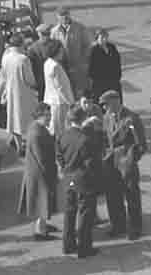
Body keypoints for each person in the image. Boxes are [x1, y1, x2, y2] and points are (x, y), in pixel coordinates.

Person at [101, 90, 147, 240]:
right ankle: (118, 225)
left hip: (126, 161)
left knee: (131, 195)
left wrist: (131, 158)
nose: (104, 108)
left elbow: (141, 144)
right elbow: (105, 138)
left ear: (116, 101)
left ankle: (135, 228)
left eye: (106, 104)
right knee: (113, 195)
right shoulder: (107, 117)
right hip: (111, 162)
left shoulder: (131, 118)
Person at [57, 106, 100, 259]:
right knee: (85, 213)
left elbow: (59, 156)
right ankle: (84, 247)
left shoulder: (63, 136)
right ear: (83, 119)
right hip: (82, 179)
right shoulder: (85, 139)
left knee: (69, 212)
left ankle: (67, 245)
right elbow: (90, 162)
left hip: (68, 177)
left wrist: (64, 168)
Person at [18, 103, 58, 241]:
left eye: (50, 115)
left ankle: (43, 225)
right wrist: (52, 173)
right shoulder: (37, 132)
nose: (50, 118)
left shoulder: (37, 128)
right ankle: (40, 232)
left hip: (37, 172)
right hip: (40, 173)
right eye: (47, 116)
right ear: (39, 115)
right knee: (42, 202)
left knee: (41, 201)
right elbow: (41, 158)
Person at [0, 33, 38, 155]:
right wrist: (36, 86)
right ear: (21, 44)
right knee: (29, 120)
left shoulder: (6, 57)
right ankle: (31, 146)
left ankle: (19, 147)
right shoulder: (23, 59)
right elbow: (30, 80)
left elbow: (4, 76)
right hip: (24, 93)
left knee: (13, 120)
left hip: (10, 92)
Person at [53, 8, 92, 97]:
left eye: (66, 16)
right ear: (58, 17)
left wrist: (83, 62)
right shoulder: (55, 31)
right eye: (62, 16)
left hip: (78, 67)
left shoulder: (80, 28)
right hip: (63, 68)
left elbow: (87, 46)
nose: (65, 18)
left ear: (69, 15)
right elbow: (53, 49)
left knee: (80, 92)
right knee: (66, 92)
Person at [44, 41, 75, 138]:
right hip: (60, 102)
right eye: (61, 51)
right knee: (61, 129)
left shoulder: (47, 63)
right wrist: (70, 102)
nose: (62, 53)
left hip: (51, 99)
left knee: (54, 126)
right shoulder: (56, 66)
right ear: (56, 51)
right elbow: (61, 88)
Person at [87, 28, 122, 100]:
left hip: (113, 81)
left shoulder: (112, 47)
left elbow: (117, 62)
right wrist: (96, 79)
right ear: (97, 38)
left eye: (106, 37)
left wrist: (118, 76)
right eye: (102, 38)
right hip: (100, 82)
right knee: (102, 101)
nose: (104, 39)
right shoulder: (93, 50)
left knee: (115, 100)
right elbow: (90, 67)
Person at [26, 27, 54, 103]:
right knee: (43, 100)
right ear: (39, 34)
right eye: (44, 34)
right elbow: (30, 64)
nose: (46, 36)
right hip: (41, 78)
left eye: (47, 34)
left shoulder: (56, 44)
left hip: (53, 77)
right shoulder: (33, 47)